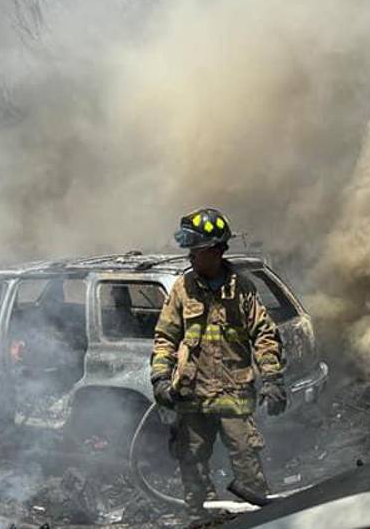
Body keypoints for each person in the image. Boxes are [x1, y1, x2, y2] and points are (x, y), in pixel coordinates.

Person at [150, 207, 287, 511]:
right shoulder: (182, 289)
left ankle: (257, 516)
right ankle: (201, 516)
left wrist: (273, 379)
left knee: (247, 460)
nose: (190, 257)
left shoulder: (242, 290)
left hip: (233, 393)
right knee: (192, 463)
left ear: (214, 251)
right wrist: (160, 378)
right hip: (192, 394)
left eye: (195, 251)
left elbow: (264, 335)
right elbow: (165, 338)